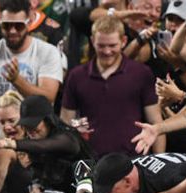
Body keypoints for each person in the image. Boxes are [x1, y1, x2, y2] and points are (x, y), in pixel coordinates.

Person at [60, 15, 165, 157]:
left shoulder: (141, 73)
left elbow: (155, 122)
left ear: (123, 41)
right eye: (101, 46)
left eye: (112, 45)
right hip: (90, 161)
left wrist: (160, 160)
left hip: (133, 162)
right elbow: (66, 122)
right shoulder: (76, 76)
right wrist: (75, 128)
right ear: (92, 41)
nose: (107, 51)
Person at [0, 0, 64, 132]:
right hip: (0, 141)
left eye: (18, 26)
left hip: (36, 140)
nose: (12, 31)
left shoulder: (47, 52)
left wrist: (17, 80)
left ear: (29, 22)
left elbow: (47, 99)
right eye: (6, 26)